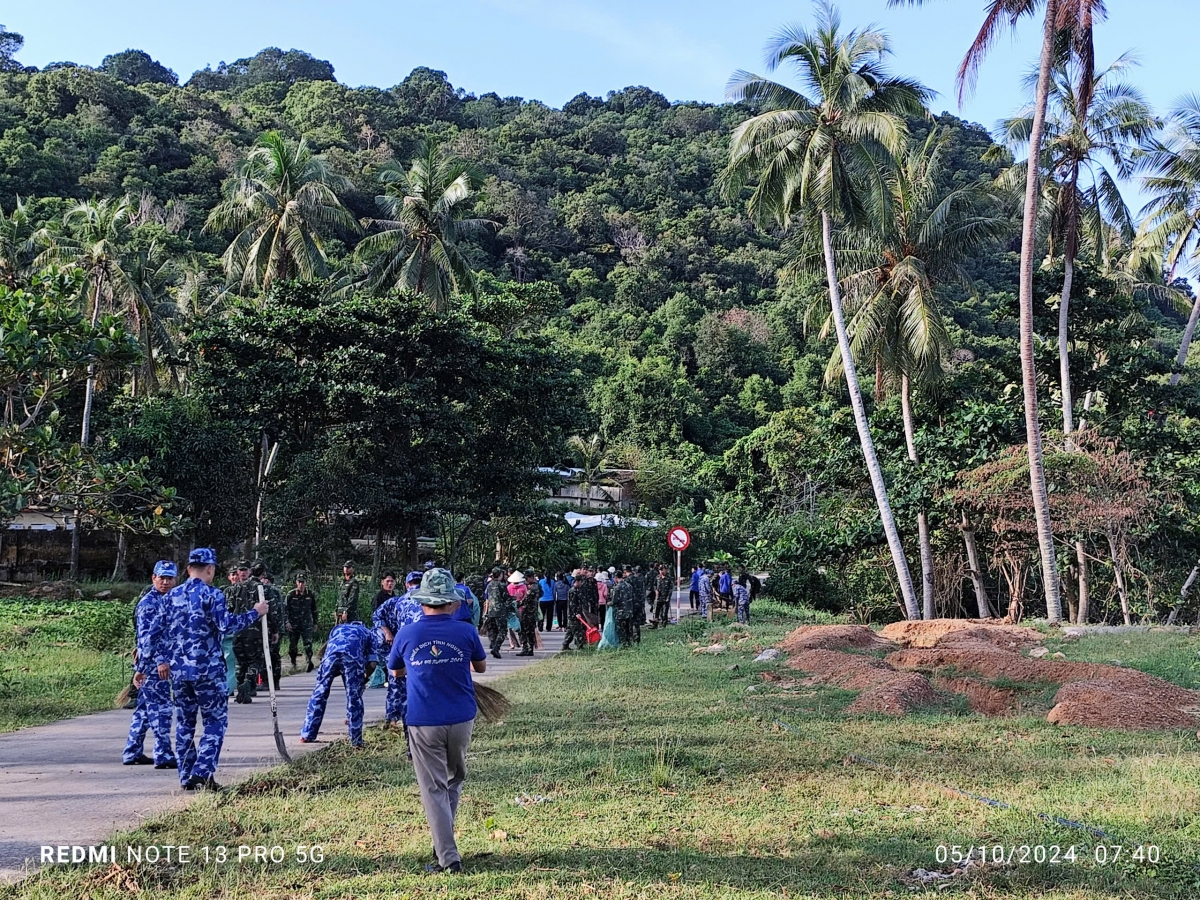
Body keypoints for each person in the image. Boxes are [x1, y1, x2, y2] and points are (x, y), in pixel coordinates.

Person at [388, 568, 486, 875]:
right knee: (454, 780)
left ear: (422, 602)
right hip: (461, 719)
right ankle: (443, 841)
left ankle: (448, 858)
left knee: (433, 789)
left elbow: (395, 671)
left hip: (423, 721)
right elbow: (480, 667)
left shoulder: (408, 634)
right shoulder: (466, 631)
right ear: (452, 603)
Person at [168, 548, 267, 791]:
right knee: (214, 721)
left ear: (189, 568)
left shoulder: (172, 596)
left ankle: (186, 776)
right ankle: (202, 772)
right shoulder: (212, 595)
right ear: (210, 569)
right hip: (207, 671)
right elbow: (227, 626)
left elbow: (162, 633)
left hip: (179, 671)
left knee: (184, 724)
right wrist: (255, 612)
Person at [123, 560, 178, 769]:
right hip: (155, 666)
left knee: (144, 710)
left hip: (157, 664)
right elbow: (146, 641)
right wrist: (156, 663)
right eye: (161, 577)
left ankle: (132, 751)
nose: (165, 582)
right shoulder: (149, 604)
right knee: (162, 709)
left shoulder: (170, 600)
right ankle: (163, 754)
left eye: (169, 578)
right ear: (153, 578)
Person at [299, 619, 383, 748]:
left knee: (319, 693)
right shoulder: (368, 633)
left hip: (330, 657)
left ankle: (307, 734)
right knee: (353, 697)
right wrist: (364, 679)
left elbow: (323, 653)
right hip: (352, 658)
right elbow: (372, 663)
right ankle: (356, 741)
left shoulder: (337, 629)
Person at [286, 572, 319, 672]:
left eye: (303, 582)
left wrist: (315, 623)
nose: (301, 584)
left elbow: (314, 609)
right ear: (296, 583)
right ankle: (293, 662)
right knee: (292, 646)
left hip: (306, 623)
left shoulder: (310, 594)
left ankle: (309, 661)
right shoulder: (290, 595)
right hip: (293, 624)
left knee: (308, 644)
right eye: (299, 582)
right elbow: (285, 610)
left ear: (305, 583)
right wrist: (286, 622)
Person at [481, 568, 512, 659]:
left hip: (491, 611)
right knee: (502, 630)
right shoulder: (502, 585)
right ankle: (496, 647)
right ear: (500, 575)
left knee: (493, 630)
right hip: (500, 611)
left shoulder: (489, 584)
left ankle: (493, 644)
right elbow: (507, 598)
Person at [610, 569, 636, 649]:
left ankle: (623, 644)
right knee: (628, 628)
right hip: (629, 611)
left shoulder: (617, 588)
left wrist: (609, 603)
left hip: (620, 612)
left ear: (615, 577)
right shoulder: (629, 586)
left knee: (621, 629)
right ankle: (629, 643)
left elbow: (615, 601)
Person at [517, 570, 541, 657]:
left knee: (525, 631)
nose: (525, 581)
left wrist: (517, 603)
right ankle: (529, 649)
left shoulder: (532, 588)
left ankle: (526, 648)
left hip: (528, 613)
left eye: (527, 578)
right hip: (532, 612)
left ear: (530, 577)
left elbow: (525, 600)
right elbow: (541, 594)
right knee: (530, 631)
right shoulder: (536, 585)